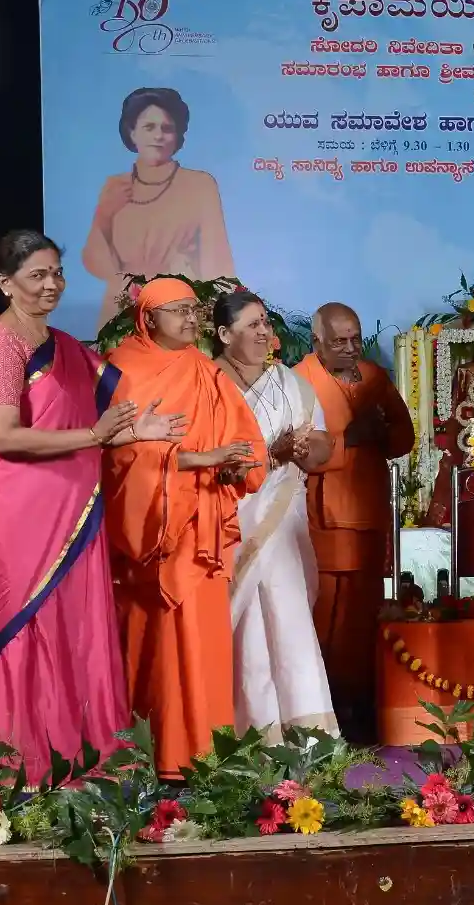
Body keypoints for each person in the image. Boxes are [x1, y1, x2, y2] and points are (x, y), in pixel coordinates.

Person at [0, 230, 184, 782]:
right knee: (27, 631)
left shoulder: (65, 345)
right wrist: (96, 435)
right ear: (4, 283)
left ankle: (84, 767)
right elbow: (5, 436)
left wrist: (134, 431)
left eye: (57, 271)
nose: (52, 283)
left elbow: (90, 431)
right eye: (37, 275)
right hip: (12, 517)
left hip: (72, 510)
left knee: (76, 631)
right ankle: (17, 775)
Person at [104, 276, 266, 778]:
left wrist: (239, 464)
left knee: (203, 644)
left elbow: (247, 441)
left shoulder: (207, 372)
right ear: (148, 319)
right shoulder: (119, 371)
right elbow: (117, 454)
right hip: (151, 535)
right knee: (150, 646)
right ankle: (141, 759)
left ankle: (202, 758)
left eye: (195, 310)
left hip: (202, 531)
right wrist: (201, 457)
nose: (191, 319)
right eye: (178, 311)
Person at [213, 291, 340, 741]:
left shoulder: (292, 384)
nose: (264, 332)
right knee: (245, 629)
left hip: (285, 521)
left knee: (290, 622)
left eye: (266, 322)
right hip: (231, 520)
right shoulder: (209, 383)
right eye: (251, 325)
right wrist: (273, 452)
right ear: (224, 334)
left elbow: (323, 446)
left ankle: (309, 740)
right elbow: (207, 459)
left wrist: (308, 449)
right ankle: (249, 735)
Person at [293, 303, 414, 743]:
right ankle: (321, 713)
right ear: (317, 342)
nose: (349, 348)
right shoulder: (299, 379)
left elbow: (403, 438)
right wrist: (351, 439)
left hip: (368, 512)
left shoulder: (375, 378)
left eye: (355, 339)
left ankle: (360, 709)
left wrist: (380, 432)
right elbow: (296, 451)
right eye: (338, 341)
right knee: (324, 618)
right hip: (321, 517)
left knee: (362, 619)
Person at [84, 87, 235, 331]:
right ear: (131, 133)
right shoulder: (114, 187)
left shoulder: (200, 185)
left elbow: (218, 264)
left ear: (178, 136)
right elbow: (94, 261)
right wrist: (105, 213)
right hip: (122, 317)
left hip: (181, 317)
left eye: (167, 128)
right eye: (149, 127)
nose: (158, 136)